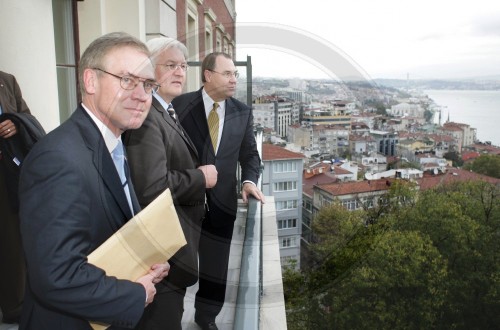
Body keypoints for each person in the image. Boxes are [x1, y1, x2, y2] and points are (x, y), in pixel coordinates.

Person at [18, 32, 170, 330]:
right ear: (90, 81)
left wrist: (151, 263)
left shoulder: (114, 142)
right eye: (127, 80)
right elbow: (56, 275)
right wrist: (135, 293)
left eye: (148, 84)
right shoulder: (58, 159)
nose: (142, 95)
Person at [123, 37, 217, 330]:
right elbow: (150, 187)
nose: (179, 72)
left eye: (183, 66)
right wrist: (201, 177)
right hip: (161, 255)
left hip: (173, 250)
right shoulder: (149, 117)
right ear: (149, 71)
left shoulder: (165, 110)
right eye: (170, 65)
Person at [172, 52, 265, 330]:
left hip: (222, 206)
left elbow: (250, 156)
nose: (233, 79)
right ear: (208, 75)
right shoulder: (180, 105)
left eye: (235, 74)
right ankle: (169, 318)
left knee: (216, 271)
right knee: (177, 269)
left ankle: (206, 317)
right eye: (227, 73)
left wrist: (249, 181)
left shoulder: (242, 112)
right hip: (184, 205)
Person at [0, 70, 31, 324]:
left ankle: (14, 303)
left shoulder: (7, 80)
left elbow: (26, 117)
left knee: (12, 236)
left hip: (7, 170)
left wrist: (16, 123)